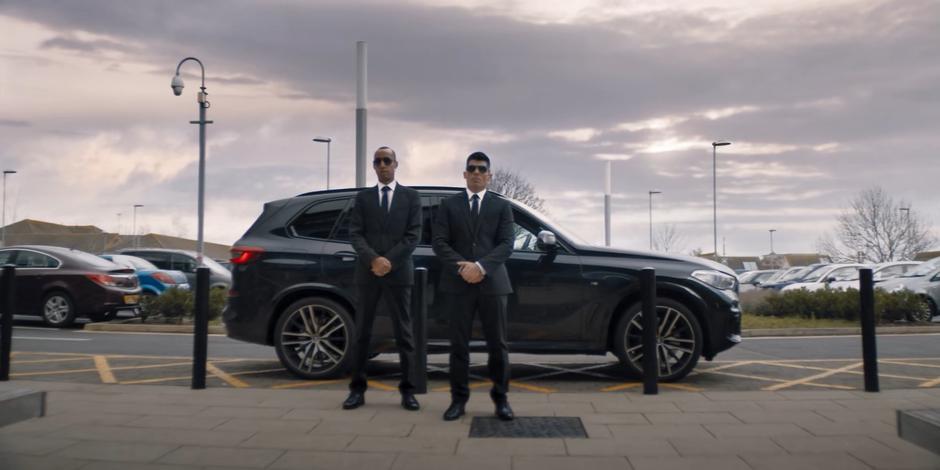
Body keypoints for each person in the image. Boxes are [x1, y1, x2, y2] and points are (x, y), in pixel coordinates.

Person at [432, 151, 515, 421]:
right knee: (458, 346)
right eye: (472, 168)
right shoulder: (449, 205)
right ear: (464, 174)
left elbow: (506, 244)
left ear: (489, 176)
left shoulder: (501, 206)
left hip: (493, 284)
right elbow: (440, 243)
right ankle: (458, 401)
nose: (477, 173)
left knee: (498, 346)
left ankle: (501, 400)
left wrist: (480, 267)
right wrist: (463, 267)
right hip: (458, 285)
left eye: (482, 169)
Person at [343, 146, 423, 411]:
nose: (382, 165)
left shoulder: (411, 197)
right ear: (374, 166)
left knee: (404, 333)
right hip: (368, 273)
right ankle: (357, 391)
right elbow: (355, 234)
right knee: (362, 333)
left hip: (399, 274)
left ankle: (408, 392)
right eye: (378, 161)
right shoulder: (363, 198)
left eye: (387, 160)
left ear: (396, 164)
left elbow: (413, 236)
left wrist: (389, 261)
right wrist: (373, 260)